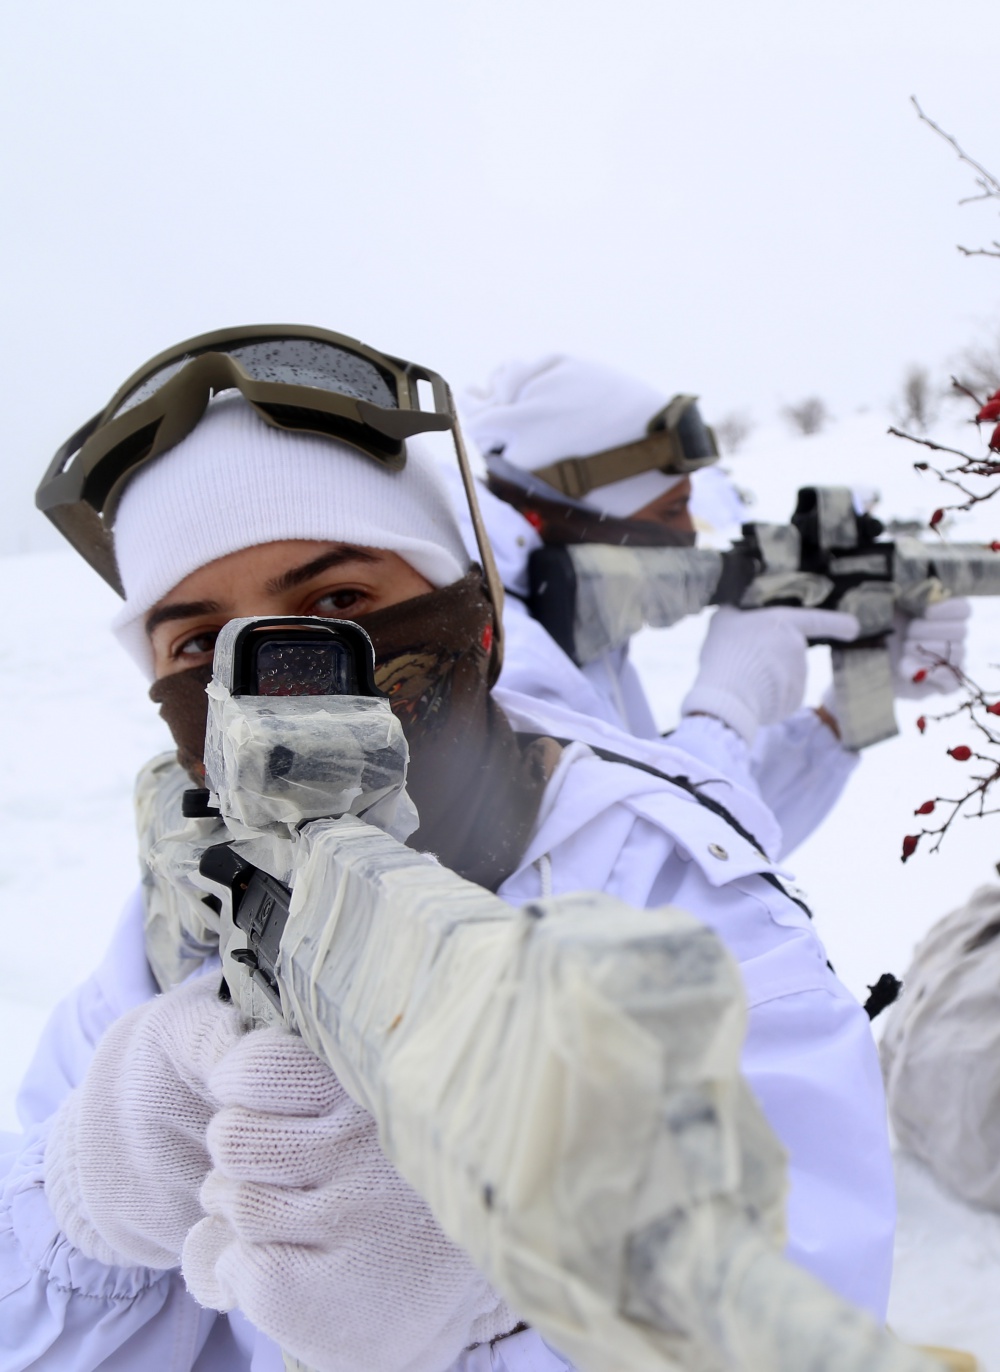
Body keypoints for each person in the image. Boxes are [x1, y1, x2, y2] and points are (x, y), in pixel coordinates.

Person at [1, 327, 893, 1372]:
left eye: (339, 603)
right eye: (197, 644)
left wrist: (480, 1323)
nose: (273, 686)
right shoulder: (180, 924)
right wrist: (87, 1207)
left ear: (473, 610)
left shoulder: (665, 903)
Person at [455, 354, 972, 857]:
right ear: (574, 510)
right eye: (672, 508)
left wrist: (840, 715)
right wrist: (724, 708)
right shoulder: (500, 657)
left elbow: (737, 851)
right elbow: (664, 874)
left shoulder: (559, 616)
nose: (688, 534)